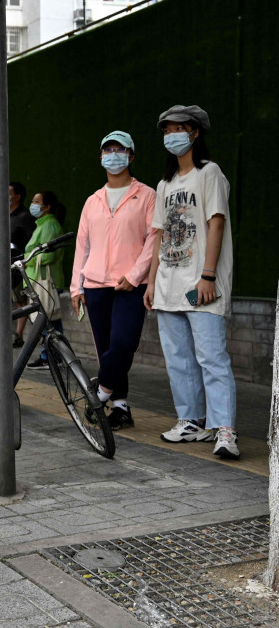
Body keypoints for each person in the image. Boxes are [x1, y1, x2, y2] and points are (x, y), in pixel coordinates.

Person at [144, 105, 238, 459]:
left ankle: (225, 428)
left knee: (212, 357)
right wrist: (151, 283)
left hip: (201, 284)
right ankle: (192, 421)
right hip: (168, 284)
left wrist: (208, 275)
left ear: (195, 132)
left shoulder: (209, 173)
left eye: (179, 129)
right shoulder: (165, 183)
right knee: (179, 359)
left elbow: (216, 223)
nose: (172, 136)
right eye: (167, 130)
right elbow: (159, 236)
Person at [70, 131, 156, 430]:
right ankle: (120, 407)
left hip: (131, 285)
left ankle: (102, 393)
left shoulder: (146, 195)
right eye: (108, 150)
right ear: (101, 157)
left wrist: (134, 276)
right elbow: (83, 245)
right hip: (95, 285)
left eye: (120, 150)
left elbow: (153, 240)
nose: (113, 155)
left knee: (122, 343)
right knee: (105, 347)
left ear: (131, 156)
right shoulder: (93, 200)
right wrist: (76, 286)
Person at [23, 190, 67, 370]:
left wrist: (27, 259)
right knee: (48, 320)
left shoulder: (49, 226)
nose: (33, 205)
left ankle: (52, 356)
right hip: (38, 280)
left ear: (47, 207)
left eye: (36, 201)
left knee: (48, 320)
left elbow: (48, 255)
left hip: (46, 281)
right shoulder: (43, 224)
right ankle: (50, 355)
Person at [9, 181, 36, 346]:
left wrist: (25, 260)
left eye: (9, 192)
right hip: (3, 263)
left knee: (20, 298)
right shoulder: (4, 214)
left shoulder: (25, 216)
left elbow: (31, 240)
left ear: (17, 197)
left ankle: (18, 334)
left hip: (19, 264)